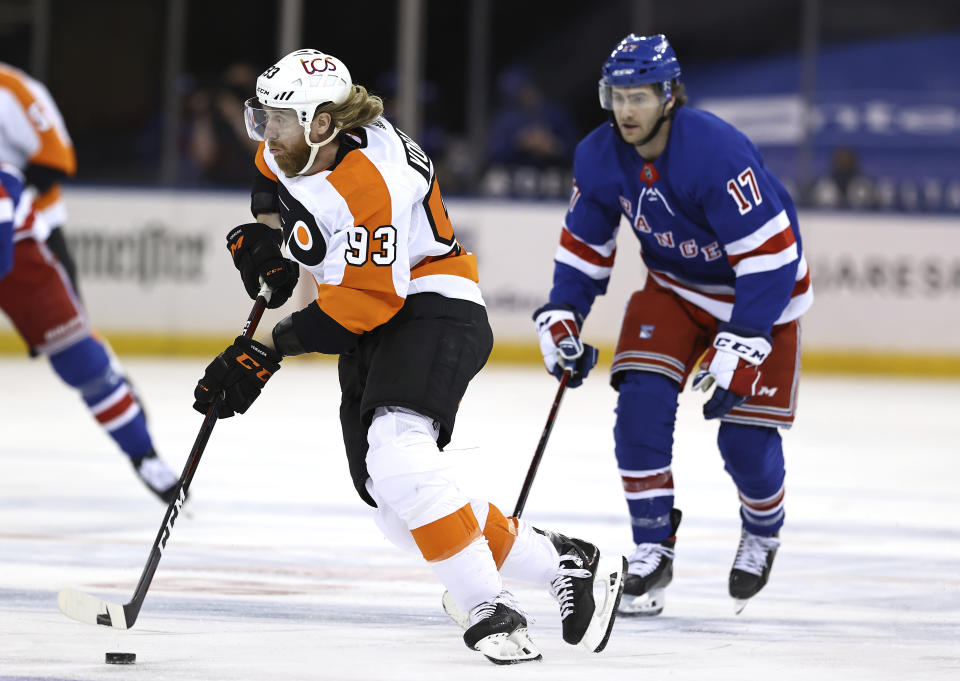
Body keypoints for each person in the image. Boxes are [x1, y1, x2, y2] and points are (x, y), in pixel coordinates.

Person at [191, 48, 625, 663]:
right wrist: (266, 238)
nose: (266, 131)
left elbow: (365, 307)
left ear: (323, 123)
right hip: (379, 308)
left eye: (279, 119)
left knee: (399, 450)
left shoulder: (371, 182)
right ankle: (566, 562)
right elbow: (272, 180)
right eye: (262, 116)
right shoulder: (301, 141)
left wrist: (265, 347)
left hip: (433, 302)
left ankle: (487, 607)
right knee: (395, 505)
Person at [533, 34, 813, 616]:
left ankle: (762, 529)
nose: (627, 110)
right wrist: (563, 312)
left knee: (744, 442)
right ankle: (651, 551)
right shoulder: (597, 155)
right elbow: (586, 249)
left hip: (761, 297)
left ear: (669, 96)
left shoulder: (715, 151)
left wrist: (747, 339)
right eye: (618, 95)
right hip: (676, 291)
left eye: (641, 95)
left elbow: (770, 258)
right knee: (639, 401)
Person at [0, 64, 180, 504]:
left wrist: (16, 193)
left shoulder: (13, 90)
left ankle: (143, 452)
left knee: (80, 359)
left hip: (26, 236)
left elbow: (56, 159)